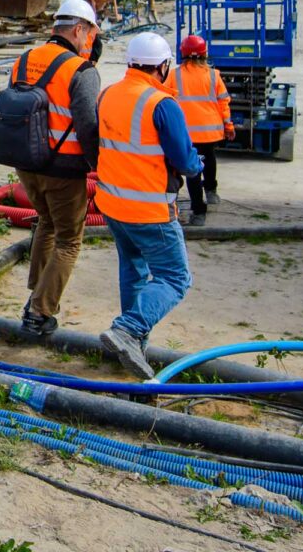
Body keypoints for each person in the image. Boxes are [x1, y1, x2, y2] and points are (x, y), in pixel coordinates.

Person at [94, 32, 202, 379]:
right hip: (150, 210)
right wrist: (197, 165)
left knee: (134, 270)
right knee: (175, 278)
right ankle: (129, 329)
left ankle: (131, 345)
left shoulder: (108, 94)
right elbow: (185, 160)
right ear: (164, 66)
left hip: (112, 204)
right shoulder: (161, 104)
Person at [9, 0, 102, 339]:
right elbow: (89, 126)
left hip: (26, 165)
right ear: (78, 30)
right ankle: (39, 312)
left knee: (46, 225)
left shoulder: (23, 60)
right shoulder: (80, 70)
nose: (90, 42)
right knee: (68, 240)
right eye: (90, 34)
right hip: (63, 170)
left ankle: (35, 292)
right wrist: (99, 166)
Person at [164, 34, 233, 225]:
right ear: (205, 54)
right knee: (209, 161)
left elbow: (162, 100)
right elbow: (223, 102)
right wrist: (229, 126)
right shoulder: (214, 75)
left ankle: (198, 212)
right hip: (210, 133)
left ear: (183, 54)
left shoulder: (174, 75)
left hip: (186, 134)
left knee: (193, 172)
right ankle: (211, 191)